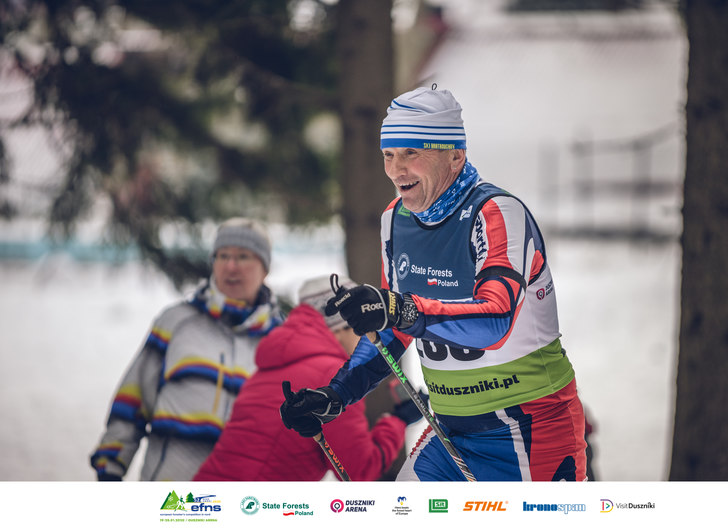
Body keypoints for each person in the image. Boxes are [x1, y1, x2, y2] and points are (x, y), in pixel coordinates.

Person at [280, 86, 587, 481]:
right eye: (388, 155)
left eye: (411, 153)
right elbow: (393, 329)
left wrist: (401, 309)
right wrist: (336, 395)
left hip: (530, 428)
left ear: (455, 155)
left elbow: (495, 321)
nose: (396, 170)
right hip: (450, 433)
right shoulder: (395, 220)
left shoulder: (495, 213)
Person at [90, 217, 283, 480]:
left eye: (243, 256)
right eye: (222, 256)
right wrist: (110, 468)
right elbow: (133, 399)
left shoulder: (280, 341)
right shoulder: (177, 322)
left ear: (265, 268)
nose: (230, 266)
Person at [193, 276, 421, 481]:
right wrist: (398, 420)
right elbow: (358, 471)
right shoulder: (334, 377)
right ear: (341, 328)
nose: (366, 340)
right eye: (362, 330)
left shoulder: (277, 362)